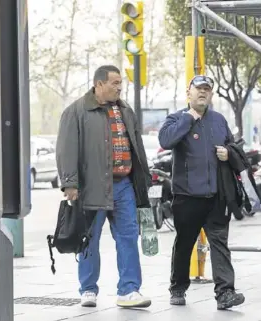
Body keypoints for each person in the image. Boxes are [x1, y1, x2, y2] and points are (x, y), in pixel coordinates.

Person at [56, 65, 152, 309]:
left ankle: (129, 290)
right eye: (114, 83)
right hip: (91, 187)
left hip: (124, 186)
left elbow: (136, 147)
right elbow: (66, 150)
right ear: (99, 84)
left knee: (129, 237)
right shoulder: (76, 111)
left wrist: (143, 180)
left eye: (121, 83)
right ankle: (88, 289)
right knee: (89, 238)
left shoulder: (125, 110)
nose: (119, 87)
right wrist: (70, 183)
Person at [158, 75, 245, 310]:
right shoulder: (176, 119)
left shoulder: (219, 120)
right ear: (189, 93)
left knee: (220, 243)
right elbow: (166, 141)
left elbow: (235, 146)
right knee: (185, 243)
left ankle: (225, 293)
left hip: (217, 195)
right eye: (199, 89)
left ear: (211, 94)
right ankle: (177, 288)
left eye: (207, 89)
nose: (203, 93)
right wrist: (190, 119)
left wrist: (228, 153)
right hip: (187, 197)